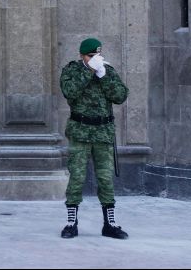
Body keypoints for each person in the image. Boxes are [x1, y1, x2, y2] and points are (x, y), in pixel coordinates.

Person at [59, 37, 129, 239]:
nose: (95, 58)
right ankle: (71, 222)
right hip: (80, 131)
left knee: (105, 179)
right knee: (77, 178)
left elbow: (121, 96)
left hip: (103, 133)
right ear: (82, 55)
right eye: (91, 56)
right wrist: (89, 71)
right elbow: (69, 91)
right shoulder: (72, 70)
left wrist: (104, 74)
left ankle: (110, 224)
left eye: (97, 55)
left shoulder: (106, 70)